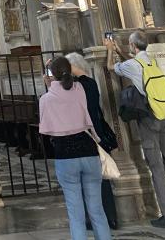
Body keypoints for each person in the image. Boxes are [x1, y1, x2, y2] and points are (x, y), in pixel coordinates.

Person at [106, 30, 165, 230]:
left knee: (156, 167)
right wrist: (123, 50)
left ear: (133, 46)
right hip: (164, 116)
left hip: (148, 119)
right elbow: (134, 62)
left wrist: (110, 50)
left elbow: (111, 67)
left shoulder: (131, 65)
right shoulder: (151, 61)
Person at [39, 57, 111, 240]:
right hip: (89, 152)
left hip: (66, 156)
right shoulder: (79, 89)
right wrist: (58, 70)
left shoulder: (46, 99)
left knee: (76, 214)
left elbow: (46, 129)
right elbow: (71, 84)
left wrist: (49, 84)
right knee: (97, 210)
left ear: (51, 76)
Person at [66, 52, 118, 229]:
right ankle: (110, 217)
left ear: (73, 66)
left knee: (88, 180)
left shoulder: (78, 86)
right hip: (99, 134)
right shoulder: (91, 82)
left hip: (87, 136)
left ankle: (91, 219)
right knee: (102, 180)